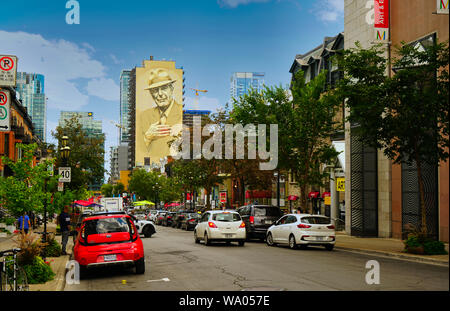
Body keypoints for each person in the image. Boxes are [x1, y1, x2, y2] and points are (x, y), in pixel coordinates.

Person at [138, 68, 183, 162]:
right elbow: (140, 151)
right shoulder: (145, 116)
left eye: (164, 88)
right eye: (155, 90)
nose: (160, 94)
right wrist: (147, 138)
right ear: (151, 94)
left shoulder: (183, 113)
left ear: (172, 89)